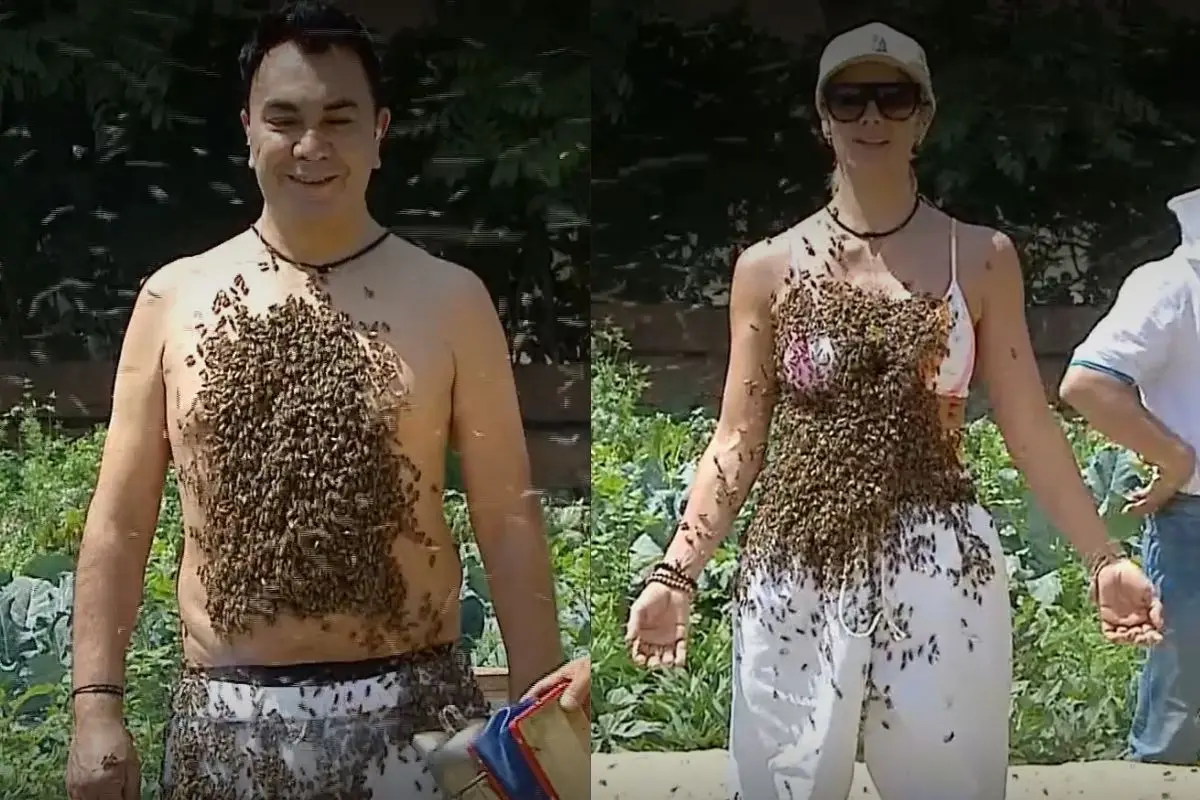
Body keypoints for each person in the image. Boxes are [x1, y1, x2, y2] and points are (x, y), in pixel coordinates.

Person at [624, 21, 1164, 800]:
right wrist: (676, 572)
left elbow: (1028, 424)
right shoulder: (767, 267)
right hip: (795, 556)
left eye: (893, 97)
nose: (870, 117)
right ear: (822, 118)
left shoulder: (980, 257)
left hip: (939, 559)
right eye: (849, 99)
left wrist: (1104, 558)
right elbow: (738, 436)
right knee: (787, 783)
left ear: (924, 116)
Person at [65, 3, 563, 798]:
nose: (311, 146)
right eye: (285, 119)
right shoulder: (175, 298)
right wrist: (95, 708)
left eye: (339, 117)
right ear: (247, 130)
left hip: (420, 713)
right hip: (227, 725)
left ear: (380, 131)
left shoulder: (451, 299)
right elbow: (120, 522)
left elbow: (505, 514)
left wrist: (544, 710)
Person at [1059, 186, 1200, 765]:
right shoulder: (1170, 285)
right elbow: (1088, 384)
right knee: (1181, 717)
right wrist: (1178, 460)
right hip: (1194, 523)